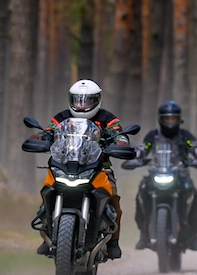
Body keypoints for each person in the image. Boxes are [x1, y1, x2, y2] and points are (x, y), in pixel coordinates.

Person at [34, 79, 129, 259]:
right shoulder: (61, 118)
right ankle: (47, 231)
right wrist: (39, 138)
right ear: (71, 100)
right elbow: (48, 131)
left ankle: (113, 242)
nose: (82, 105)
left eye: (87, 100)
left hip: (98, 167)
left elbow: (118, 133)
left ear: (97, 100)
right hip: (64, 164)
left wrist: (121, 143)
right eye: (78, 100)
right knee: (47, 191)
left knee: (113, 199)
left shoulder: (107, 118)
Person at [127, 100, 197, 251]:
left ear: (179, 119)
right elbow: (143, 149)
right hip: (156, 173)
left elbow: (195, 147)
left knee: (194, 196)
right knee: (141, 191)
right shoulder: (152, 136)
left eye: (173, 118)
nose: (170, 122)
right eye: (167, 119)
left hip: (180, 176)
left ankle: (193, 236)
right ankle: (144, 234)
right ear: (161, 119)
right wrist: (136, 159)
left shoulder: (185, 136)